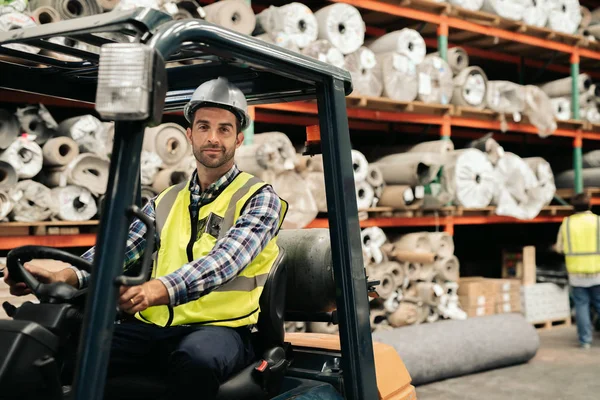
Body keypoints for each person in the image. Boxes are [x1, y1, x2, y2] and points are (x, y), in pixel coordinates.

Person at [4, 77, 288, 398]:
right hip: (152, 328)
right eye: (204, 127)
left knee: (197, 361)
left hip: (222, 328)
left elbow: (226, 261)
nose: (213, 138)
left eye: (224, 129)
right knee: (64, 352)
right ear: (189, 135)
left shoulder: (259, 197)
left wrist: (158, 289)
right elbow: (120, 250)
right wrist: (64, 276)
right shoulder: (165, 199)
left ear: (238, 140)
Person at [555, 193, 600, 349]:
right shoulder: (598, 222)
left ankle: (585, 341)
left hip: (576, 273)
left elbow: (559, 247)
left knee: (581, 306)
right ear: (590, 205)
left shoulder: (566, 224)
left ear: (573, 207)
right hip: (598, 271)